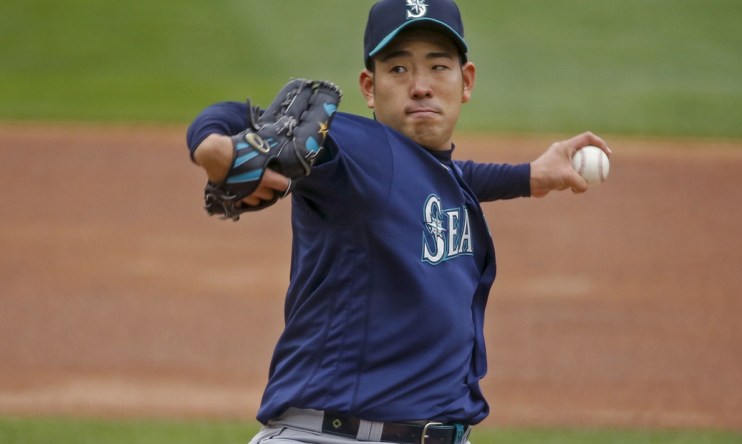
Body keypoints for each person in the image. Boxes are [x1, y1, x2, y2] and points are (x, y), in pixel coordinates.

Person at [185, 1, 610, 443]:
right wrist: (214, 148)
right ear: (370, 88)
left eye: (438, 66)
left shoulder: (429, 173)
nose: (421, 86)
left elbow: (447, 179)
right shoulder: (356, 150)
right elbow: (236, 115)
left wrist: (528, 177)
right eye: (399, 70)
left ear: (465, 82)